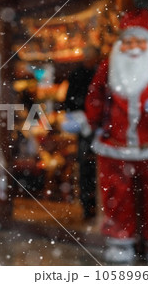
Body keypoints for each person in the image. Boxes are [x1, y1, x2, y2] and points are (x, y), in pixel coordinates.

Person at [62, 9, 148, 265]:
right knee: (117, 195)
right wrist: (85, 120)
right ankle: (120, 240)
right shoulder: (108, 67)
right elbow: (96, 98)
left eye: (139, 41)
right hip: (115, 144)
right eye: (128, 41)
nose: (133, 48)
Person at [62, 45, 100, 219]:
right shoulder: (79, 75)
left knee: (93, 166)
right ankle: (88, 204)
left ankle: (94, 203)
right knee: (86, 166)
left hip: (97, 126)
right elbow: (69, 102)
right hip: (86, 126)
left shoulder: (99, 74)